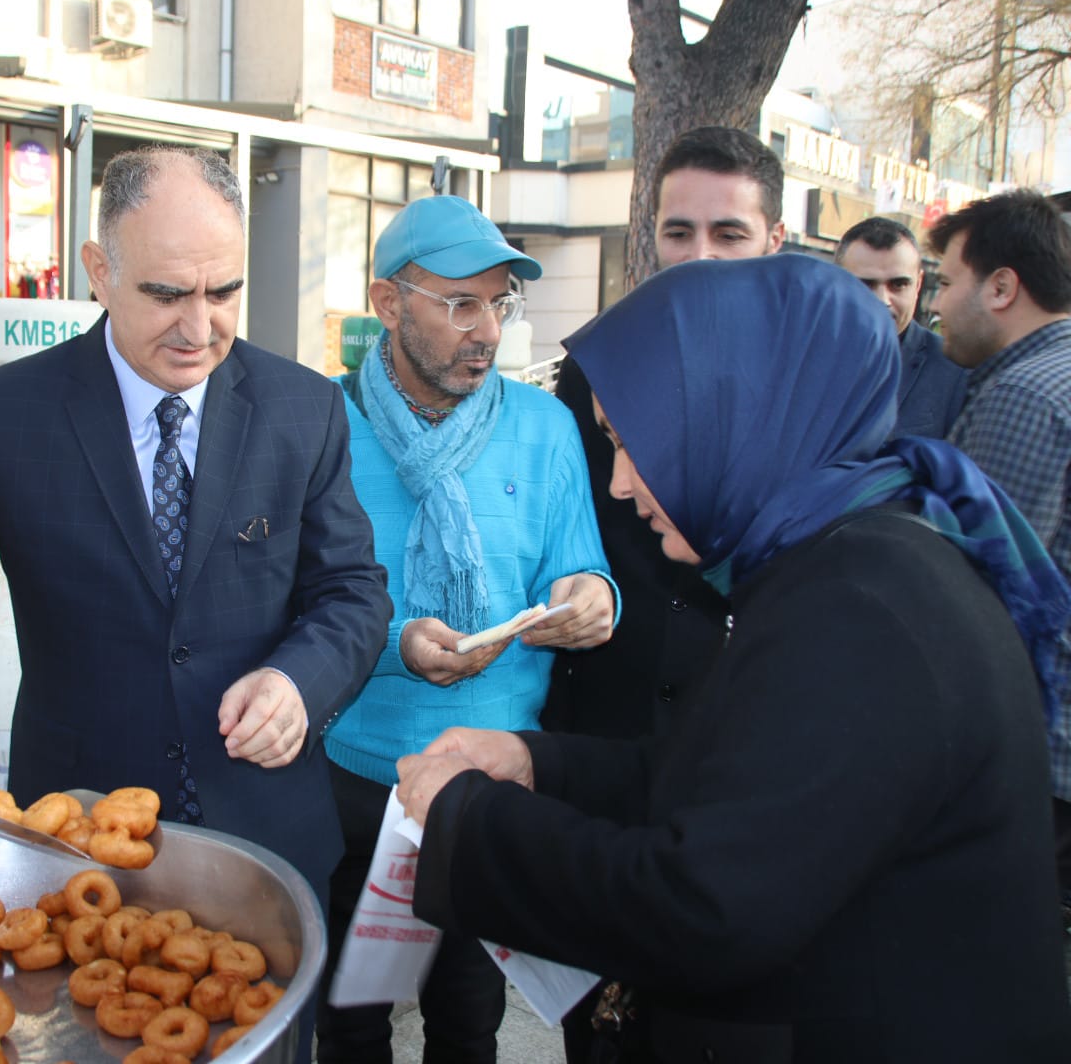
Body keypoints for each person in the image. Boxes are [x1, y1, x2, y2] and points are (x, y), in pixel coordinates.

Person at [396, 253, 1071, 1062]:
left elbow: (703, 908)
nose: (617, 483)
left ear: (729, 420)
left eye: (630, 443)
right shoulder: (836, 558)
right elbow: (729, 777)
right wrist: (536, 765)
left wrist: (471, 822)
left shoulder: (862, 609)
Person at [0, 147, 393, 1057]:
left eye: (224, 292)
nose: (200, 326)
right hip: (75, 864)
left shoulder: (303, 409)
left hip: (269, 850)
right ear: (99, 272)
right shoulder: (9, 416)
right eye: (167, 293)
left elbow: (352, 591)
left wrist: (300, 682)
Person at [314, 195, 619, 1064]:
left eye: (498, 303)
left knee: (467, 1020)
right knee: (352, 1021)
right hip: (358, 777)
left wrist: (592, 598)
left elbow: (583, 562)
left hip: (493, 781)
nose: (485, 329)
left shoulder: (544, 426)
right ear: (387, 303)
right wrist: (392, 643)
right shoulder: (323, 428)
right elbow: (295, 602)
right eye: (459, 303)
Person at [544, 124, 786, 1061]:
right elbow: (567, 527)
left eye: (727, 234)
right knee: (593, 1022)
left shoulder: (809, 380)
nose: (699, 256)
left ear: (772, 240)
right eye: (678, 231)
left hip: (745, 750)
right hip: (607, 735)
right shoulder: (590, 370)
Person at [927, 188, 1071, 915]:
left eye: (946, 282)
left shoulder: (1026, 396)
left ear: (1003, 285)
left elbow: (975, 592)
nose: (936, 306)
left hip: (1042, 757)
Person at [834, 216, 966, 438]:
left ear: (918, 285)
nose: (882, 299)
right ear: (836, 283)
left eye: (898, 285)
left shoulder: (954, 372)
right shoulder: (801, 359)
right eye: (865, 284)